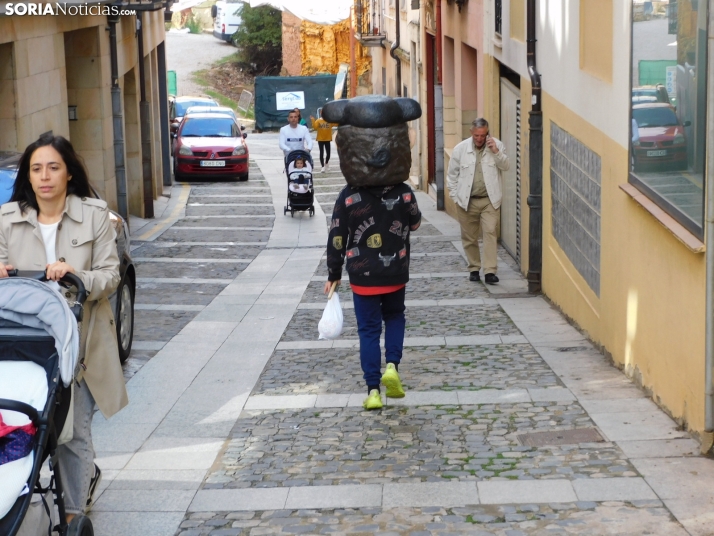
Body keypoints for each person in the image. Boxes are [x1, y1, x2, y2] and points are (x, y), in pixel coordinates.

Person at [0, 134, 128, 522]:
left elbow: (111, 276)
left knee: (72, 434)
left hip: (83, 341)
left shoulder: (94, 215)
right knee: (27, 425)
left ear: (69, 173)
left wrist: (76, 275)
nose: (45, 177)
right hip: (28, 344)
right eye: (37, 168)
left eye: (53, 167)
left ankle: (73, 515)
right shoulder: (6, 219)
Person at [325, 184, 422, 410]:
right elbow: (415, 223)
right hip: (395, 270)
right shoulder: (403, 191)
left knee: (368, 330)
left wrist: (334, 274)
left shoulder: (349, 193)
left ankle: (373, 391)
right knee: (395, 316)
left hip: (362, 274)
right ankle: (391, 366)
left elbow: (337, 235)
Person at [446, 118, 509, 284]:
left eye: (483, 135)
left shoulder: (497, 145)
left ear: (487, 132)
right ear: (471, 133)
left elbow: (506, 166)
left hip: (490, 200)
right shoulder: (461, 149)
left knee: (490, 232)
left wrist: (496, 151)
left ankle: (490, 271)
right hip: (467, 201)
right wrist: (455, 196)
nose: (480, 139)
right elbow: (452, 175)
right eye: (476, 135)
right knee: (469, 237)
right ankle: (474, 268)